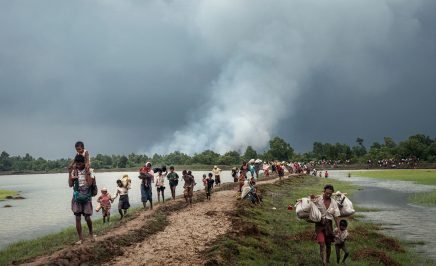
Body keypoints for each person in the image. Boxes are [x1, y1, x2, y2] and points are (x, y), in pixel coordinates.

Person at [312, 184, 341, 266]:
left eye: (330, 193)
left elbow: (336, 216)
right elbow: (310, 204)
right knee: (321, 243)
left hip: (329, 225)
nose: (328, 195)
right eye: (327, 193)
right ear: (323, 191)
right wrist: (311, 198)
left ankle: (327, 260)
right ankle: (324, 262)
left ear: (332, 193)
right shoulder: (318, 199)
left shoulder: (334, 203)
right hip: (319, 225)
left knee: (328, 244)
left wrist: (338, 227)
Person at [69, 154, 94, 245]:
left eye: (80, 164)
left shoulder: (90, 170)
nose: (78, 166)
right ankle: (80, 238)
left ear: (84, 163)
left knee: (87, 217)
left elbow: (90, 183)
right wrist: (70, 172)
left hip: (86, 195)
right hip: (77, 195)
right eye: (77, 164)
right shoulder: (74, 171)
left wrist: (87, 172)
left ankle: (91, 233)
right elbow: (70, 185)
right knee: (77, 217)